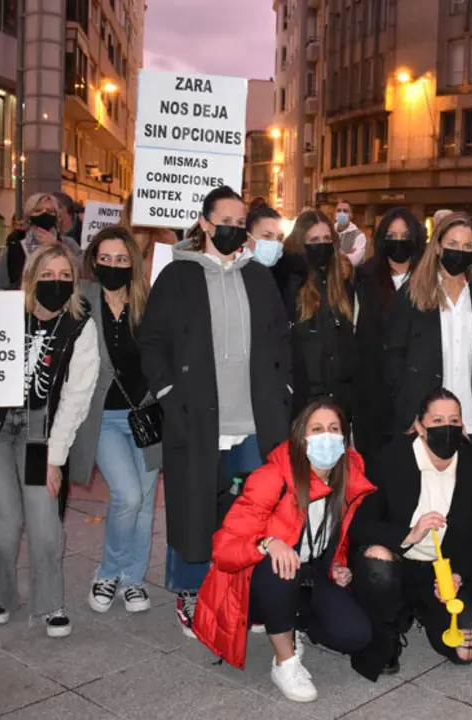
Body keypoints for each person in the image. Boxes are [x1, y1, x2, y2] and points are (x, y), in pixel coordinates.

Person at [138, 186, 293, 638]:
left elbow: (281, 337)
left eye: (239, 222)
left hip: (253, 422)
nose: (232, 229)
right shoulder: (177, 277)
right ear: (205, 223)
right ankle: (189, 592)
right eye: (224, 220)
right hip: (198, 418)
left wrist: (282, 388)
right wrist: (169, 392)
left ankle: (247, 592)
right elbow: (153, 343)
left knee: (252, 512)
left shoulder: (258, 276)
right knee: (193, 507)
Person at [0, 242, 99, 638]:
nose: (56, 283)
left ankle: (49, 602)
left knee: (44, 518)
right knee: (0, 522)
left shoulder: (81, 324)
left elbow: (77, 397)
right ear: (30, 278)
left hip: (37, 431)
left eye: (65, 276)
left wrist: (55, 457)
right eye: (47, 276)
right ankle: (1, 590)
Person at [192, 398, 375, 703]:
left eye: (334, 429)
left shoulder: (349, 475)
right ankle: (284, 661)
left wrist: (337, 564)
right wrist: (267, 543)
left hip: (312, 573)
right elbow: (223, 550)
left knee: (356, 635)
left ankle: (293, 624)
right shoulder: (272, 477)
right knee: (282, 566)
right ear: (301, 436)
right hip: (261, 580)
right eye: (317, 429)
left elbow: (335, 536)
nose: (326, 437)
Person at [348, 389, 472, 678]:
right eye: (437, 420)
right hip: (398, 562)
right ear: (420, 427)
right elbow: (360, 526)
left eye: (454, 420)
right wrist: (410, 534)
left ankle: (422, 609)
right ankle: (387, 630)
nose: (446, 428)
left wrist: (458, 573)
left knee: (466, 651)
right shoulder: (391, 458)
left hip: (440, 571)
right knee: (377, 561)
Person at [71, 226, 163, 615]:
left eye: (122, 259)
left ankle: (133, 579)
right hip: (104, 419)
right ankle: (108, 571)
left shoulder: (149, 302)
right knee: (128, 496)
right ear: (93, 260)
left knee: (143, 506)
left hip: (145, 415)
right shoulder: (81, 300)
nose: (113, 266)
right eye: (105, 259)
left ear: (134, 263)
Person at [384, 212, 472, 459]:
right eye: (452, 244)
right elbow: (393, 358)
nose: (459, 252)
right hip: (427, 422)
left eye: (467, 246)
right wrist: (408, 414)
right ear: (438, 247)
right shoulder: (412, 294)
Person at [353, 207, 426, 457]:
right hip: (373, 399)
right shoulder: (363, 279)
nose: (398, 242)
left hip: (416, 398)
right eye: (391, 235)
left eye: (404, 235)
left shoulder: (429, 280)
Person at [282, 210, 359, 421]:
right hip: (303, 402)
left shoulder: (344, 284)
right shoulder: (291, 284)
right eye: (314, 239)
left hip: (340, 402)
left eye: (326, 239)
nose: (321, 244)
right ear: (301, 243)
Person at [0, 193, 84, 290]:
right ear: (29, 215)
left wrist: (57, 246)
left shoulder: (69, 243)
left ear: (56, 216)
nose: (44, 214)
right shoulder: (15, 250)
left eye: (50, 211)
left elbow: (83, 272)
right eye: (38, 211)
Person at [334, 200, 368, 266]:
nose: (341, 213)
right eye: (339, 211)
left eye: (345, 211)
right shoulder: (329, 231)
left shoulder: (359, 236)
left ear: (352, 215)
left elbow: (354, 260)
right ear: (335, 214)